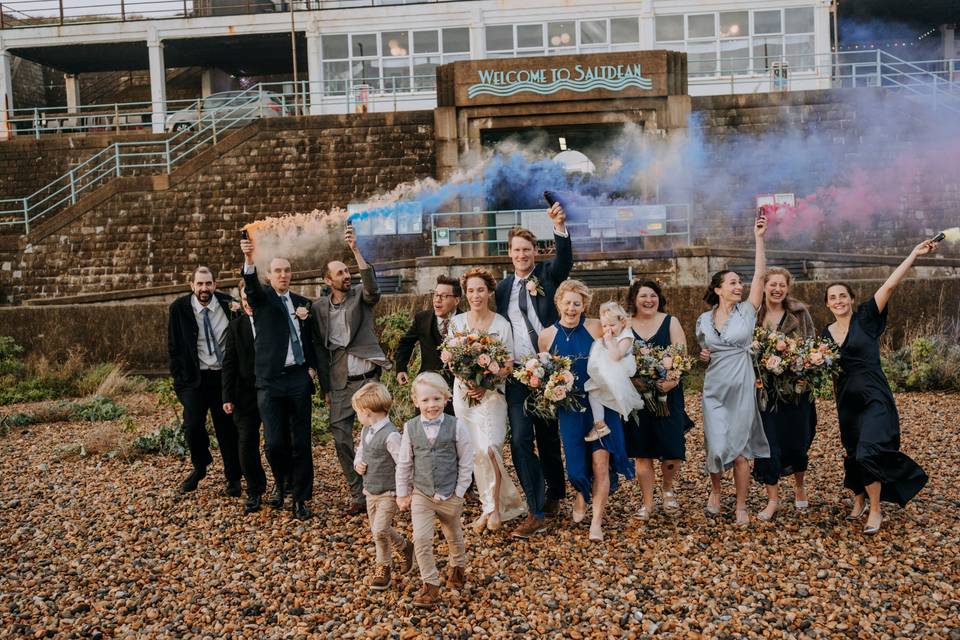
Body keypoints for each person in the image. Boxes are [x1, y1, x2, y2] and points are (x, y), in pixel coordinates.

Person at [823, 239, 936, 535]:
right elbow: (828, 372)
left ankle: (875, 509)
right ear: (827, 303)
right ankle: (858, 498)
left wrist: (913, 254)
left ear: (850, 298)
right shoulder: (825, 334)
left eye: (842, 295)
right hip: (847, 402)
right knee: (852, 451)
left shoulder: (866, 318)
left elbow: (888, 286)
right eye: (833, 297)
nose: (838, 301)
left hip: (875, 397)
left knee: (868, 451)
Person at [495, 203, 571, 538]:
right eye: (517, 250)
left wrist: (559, 227)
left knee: (548, 436)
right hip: (515, 373)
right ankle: (535, 508)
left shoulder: (548, 277)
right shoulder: (501, 289)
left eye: (527, 249)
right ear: (509, 254)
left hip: (547, 368)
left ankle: (556, 491)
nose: (522, 254)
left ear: (535, 252)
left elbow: (565, 261)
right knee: (522, 438)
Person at [538, 279, 635, 542]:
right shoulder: (546, 336)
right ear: (559, 303)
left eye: (577, 304)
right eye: (567, 303)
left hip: (601, 404)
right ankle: (581, 493)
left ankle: (596, 522)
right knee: (576, 469)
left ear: (584, 306)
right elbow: (545, 373)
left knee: (600, 462)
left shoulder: (594, 327)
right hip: (570, 409)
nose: (571, 308)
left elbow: (623, 329)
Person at [695, 213, 769, 526]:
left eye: (740, 282)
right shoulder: (702, 319)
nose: (739, 286)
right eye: (733, 283)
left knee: (739, 449)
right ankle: (715, 491)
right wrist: (701, 356)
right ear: (718, 289)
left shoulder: (747, 312)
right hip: (714, 387)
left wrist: (759, 239)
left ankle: (740, 505)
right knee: (715, 443)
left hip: (741, 385)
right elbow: (704, 353)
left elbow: (761, 278)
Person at [313, 223, 390, 517]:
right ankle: (358, 493)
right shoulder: (319, 308)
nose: (347, 276)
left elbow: (372, 287)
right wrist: (325, 388)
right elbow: (319, 349)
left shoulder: (361, 296)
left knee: (378, 435)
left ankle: (381, 488)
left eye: (348, 272)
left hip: (368, 379)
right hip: (340, 382)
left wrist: (356, 250)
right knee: (341, 436)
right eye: (341, 273)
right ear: (327, 280)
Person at [240, 239, 318, 520]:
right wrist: (249, 259)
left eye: (287, 270)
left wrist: (311, 367)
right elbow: (250, 286)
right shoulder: (261, 299)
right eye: (277, 271)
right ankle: (282, 480)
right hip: (270, 381)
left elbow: (311, 340)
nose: (283, 275)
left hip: (298, 377)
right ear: (269, 276)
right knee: (274, 443)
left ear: (291, 274)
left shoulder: (302, 304)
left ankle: (300, 499)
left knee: (301, 442)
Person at [449, 267, 526, 534]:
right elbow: (451, 360)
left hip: (492, 395)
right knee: (475, 453)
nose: (475, 295)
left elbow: (507, 364)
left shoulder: (502, 325)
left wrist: (485, 384)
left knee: (491, 448)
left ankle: (495, 507)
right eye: (470, 290)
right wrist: (469, 381)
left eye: (480, 289)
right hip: (463, 395)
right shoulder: (457, 323)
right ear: (465, 293)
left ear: (490, 291)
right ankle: (489, 509)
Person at [396, 372, 474, 609]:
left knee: (453, 534)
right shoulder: (410, 428)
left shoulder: (456, 426)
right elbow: (404, 462)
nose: (431, 405)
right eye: (426, 400)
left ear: (446, 398)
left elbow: (466, 460)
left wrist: (460, 491)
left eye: (436, 399)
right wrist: (402, 492)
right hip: (422, 494)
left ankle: (457, 568)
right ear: (416, 402)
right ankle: (430, 585)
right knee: (420, 539)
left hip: (450, 493)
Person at [167, 266, 242, 496]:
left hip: (222, 377)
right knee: (192, 426)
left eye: (208, 284)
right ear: (192, 286)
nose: (204, 288)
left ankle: (233, 478)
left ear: (215, 285)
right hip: (194, 379)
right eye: (199, 284)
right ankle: (200, 465)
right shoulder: (179, 308)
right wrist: (181, 380)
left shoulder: (230, 305)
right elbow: (174, 347)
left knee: (227, 430)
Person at [752, 268, 818, 521]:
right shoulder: (754, 315)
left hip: (795, 389)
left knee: (797, 440)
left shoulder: (799, 314)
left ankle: (800, 487)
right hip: (765, 391)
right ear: (765, 287)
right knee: (768, 443)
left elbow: (811, 344)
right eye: (773, 285)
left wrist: (803, 366)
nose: (777, 289)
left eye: (782, 285)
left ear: (788, 288)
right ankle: (772, 500)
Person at [625, 279, 693, 518]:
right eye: (643, 296)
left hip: (668, 395)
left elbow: (681, 356)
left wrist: (673, 380)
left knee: (672, 449)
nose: (648, 300)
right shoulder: (626, 324)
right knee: (642, 452)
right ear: (634, 299)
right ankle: (647, 502)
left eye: (653, 295)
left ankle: (667, 490)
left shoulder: (670, 321)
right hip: (638, 399)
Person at [351, 381, 414, 591]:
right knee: (378, 530)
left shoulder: (391, 435)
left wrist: (405, 492)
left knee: (379, 530)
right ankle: (405, 547)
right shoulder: (365, 431)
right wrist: (357, 463)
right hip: (370, 490)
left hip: (389, 491)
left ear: (367, 412)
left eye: (357, 412)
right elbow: (361, 451)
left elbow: (404, 463)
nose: (357, 416)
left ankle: (383, 568)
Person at [222, 287, 269, 514]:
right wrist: (227, 396)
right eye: (243, 298)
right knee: (246, 443)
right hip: (244, 395)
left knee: (277, 443)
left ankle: (284, 482)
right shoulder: (235, 327)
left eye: (251, 297)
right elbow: (229, 363)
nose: (248, 302)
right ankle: (255, 489)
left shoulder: (273, 322)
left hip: (272, 391)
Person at [395, 274, 461, 415]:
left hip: (457, 388)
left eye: (443, 296)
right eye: (435, 295)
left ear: (456, 300)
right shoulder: (422, 318)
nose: (437, 300)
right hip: (427, 387)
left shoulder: (466, 321)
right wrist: (401, 368)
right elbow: (405, 343)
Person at [583, 301, 644, 442]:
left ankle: (601, 424)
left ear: (622, 322)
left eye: (611, 325)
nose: (608, 329)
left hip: (619, 372)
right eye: (604, 326)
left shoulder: (626, 336)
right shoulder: (614, 335)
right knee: (593, 392)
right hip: (610, 369)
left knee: (602, 392)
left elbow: (616, 356)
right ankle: (600, 424)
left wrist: (609, 341)